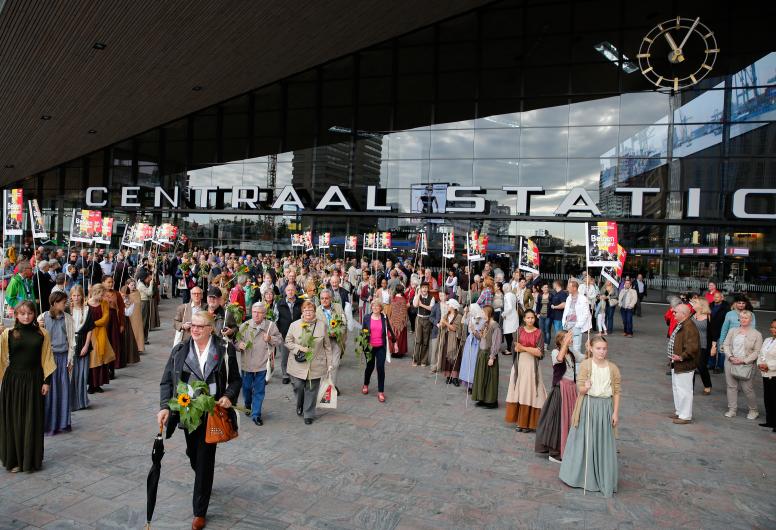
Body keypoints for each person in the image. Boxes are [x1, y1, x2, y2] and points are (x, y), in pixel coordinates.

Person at [157, 311, 241, 530]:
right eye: (193, 325)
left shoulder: (224, 349)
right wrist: (165, 407)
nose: (194, 329)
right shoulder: (180, 350)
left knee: (205, 459)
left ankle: (199, 511)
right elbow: (167, 381)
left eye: (200, 326)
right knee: (193, 453)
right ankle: (203, 476)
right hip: (187, 412)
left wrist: (228, 396)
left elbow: (235, 380)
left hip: (212, 413)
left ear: (211, 328)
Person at [559, 336, 621, 497]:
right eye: (598, 348)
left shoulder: (613, 368)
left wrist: (615, 412)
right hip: (588, 405)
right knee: (585, 440)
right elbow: (579, 388)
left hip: (605, 407)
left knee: (603, 441)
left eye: (604, 348)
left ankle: (602, 476)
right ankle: (581, 477)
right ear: (591, 349)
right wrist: (585, 388)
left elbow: (616, 391)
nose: (602, 352)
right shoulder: (586, 365)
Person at [0, 301, 55, 473]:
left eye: (30, 313)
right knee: (14, 420)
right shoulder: (8, 333)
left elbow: (47, 358)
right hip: (13, 382)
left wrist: (47, 381)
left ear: (34, 314)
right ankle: (14, 460)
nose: (26, 317)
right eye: (22, 313)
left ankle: (31, 460)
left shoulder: (42, 333)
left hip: (34, 381)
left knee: (33, 419)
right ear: (16, 315)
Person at [285, 300, 332, 424]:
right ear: (302, 311)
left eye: (310, 310)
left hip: (316, 363)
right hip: (297, 363)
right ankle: (300, 403)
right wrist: (299, 348)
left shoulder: (322, 325)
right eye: (305, 310)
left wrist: (329, 363)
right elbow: (288, 342)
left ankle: (309, 414)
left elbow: (327, 346)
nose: (308, 312)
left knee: (312, 389)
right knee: (298, 386)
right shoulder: (294, 325)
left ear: (315, 311)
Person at [237, 303, 282, 426]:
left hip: (262, 364)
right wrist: (239, 345)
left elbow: (279, 339)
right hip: (247, 364)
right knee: (246, 388)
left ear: (264, 314)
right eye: (254, 312)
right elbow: (236, 341)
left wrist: (270, 338)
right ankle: (247, 404)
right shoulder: (245, 326)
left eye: (259, 312)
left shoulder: (270, 326)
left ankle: (256, 414)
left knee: (259, 390)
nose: (256, 315)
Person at [535, 331, 578, 462]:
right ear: (560, 341)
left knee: (570, 419)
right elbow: (559, 359)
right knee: (559, 419)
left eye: (570, 338)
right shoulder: (555, 352)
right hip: (560, 389)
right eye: (567, 338)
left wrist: (589, 348)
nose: (570, 340)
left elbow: (585, 357)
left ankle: (566, 448)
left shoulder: (572, 353)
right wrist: (565, 344)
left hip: (571, 390)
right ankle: (555, 452)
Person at [37, 291, 75, 435]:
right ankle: (49, 424)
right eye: (63, 302)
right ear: (54, 303)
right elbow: (36, 338)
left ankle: (62, 423)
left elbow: (71, 341)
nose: (65, 304)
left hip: (63, 357)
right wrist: (37, 326)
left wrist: (70, 360)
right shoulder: (42, 317)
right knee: (49, 392)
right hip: (48, 358)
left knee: (63, 391)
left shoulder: (68, 318)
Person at [505, 309, 547, 432]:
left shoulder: (539, 332)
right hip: (520, 365)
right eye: (528, 318)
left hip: (532, 366)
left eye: (532, 318)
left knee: (530, 392)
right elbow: (515, 349)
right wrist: (529, 349)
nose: (530, 320)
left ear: (535, 319)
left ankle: (528, 423)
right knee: (519, 391)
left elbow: (539, 352)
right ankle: (520, 422)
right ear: (524, 319)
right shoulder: (519, 331)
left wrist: (523, 347)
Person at [721, 309, 762, 420]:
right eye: (741, 318)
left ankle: (753, 410)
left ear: (750, 320)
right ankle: (732, 409)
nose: (743, 320)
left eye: (746, 318)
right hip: (730, 362)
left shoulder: (757, 334)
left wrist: (744, 361)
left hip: (746, 364)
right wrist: (730, 357)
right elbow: (726, 345)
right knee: (731, 387)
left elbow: (757, 351)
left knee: (747, 389)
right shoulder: (732, 331)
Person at [667, 304, 700, 425]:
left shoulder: (689, 327)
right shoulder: (682, 324)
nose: (674, 314)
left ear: (684, 314)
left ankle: (685, 416)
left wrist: (681, 357)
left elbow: (692, 347)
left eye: (676, 312)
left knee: (684, 390)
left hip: (684, 363)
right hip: (676, 362)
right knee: (677, 388)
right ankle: (679, 411)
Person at [361, 300, 397, 402]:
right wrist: (362, 344)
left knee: (380, 368)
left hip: (381, 347)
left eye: (377, 306)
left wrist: (395, 342)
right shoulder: (366, 317)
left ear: (381, 308)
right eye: (373, 306)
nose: (375, 308)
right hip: (369, 347)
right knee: (370, 367)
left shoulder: (384, 318)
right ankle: (366, 384)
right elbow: (363, 331)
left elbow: (389, 329)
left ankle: (381, 391)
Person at [471, 305, 502, 408]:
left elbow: (496, 343)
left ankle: (491, 401)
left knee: (490, 379)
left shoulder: (495, 326)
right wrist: (474, 331)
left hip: (489, 355)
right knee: (482, 377)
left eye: (483, 313)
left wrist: (492, 357)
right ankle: (482, 398)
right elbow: (481, 338)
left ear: (489, 314)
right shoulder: (485, 324)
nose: (482, 315)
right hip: (482, 354)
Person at [718, 295, 757, 376]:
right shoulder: (729, 314)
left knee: (742, 365)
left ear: (746, 304)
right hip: (730, 343)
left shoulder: (751, 314)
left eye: (743, 303)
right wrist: (721, 343)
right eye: (739, 303)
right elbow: (724, 329)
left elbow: (753, 330)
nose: (741, 305)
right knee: (730, 365)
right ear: (735, 303)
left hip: (745, 343)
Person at [316, 289, 347, 389]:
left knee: (335, 364)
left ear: (331, 299)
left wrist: (339, 332)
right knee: (324, 365)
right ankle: (323, 386)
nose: (324, 300)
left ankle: (331, 387)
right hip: (323, 342)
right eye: (322, 298)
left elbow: (344, 323)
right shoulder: (317, 311)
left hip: (336, 340)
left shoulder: (338, 307)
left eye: (326, 298)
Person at [68, 285, 93, 411]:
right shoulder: (68, 310)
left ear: (82, 296)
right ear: (71, 296)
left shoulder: (88, 309)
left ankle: (82, 401)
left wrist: (86, 345)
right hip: (71, 343)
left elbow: (90, 329)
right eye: (74, 295)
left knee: (82, 374)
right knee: (72, 374)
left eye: (78, 295)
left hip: (83, 342)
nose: (76, 298)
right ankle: (72, 402)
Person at [87, 283, 114, 394]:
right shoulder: (86, 304)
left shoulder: (104, 303)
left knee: (101, 358)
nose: (103, 297)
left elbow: (105, 318)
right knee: (92, 359)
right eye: (101, 295)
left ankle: (98, 384)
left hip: (101, 333)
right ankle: (91, 384)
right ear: (95, 293)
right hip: (89, 335)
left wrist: (93, 323)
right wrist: (90, 325)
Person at [276, 284, 302, 385]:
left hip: (298, 333)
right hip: (284, 333)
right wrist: (278, 332)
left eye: (292, 290)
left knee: (297, 353)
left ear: (295, 291)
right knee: (285, 356)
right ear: (285, 292)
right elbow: (276, 318)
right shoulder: (279, 303)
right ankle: (285, 375)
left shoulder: (301, 302)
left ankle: (297, 374)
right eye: (288, 290)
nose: (290, 292)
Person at [562, 278, 591, 358]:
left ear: (574, 288)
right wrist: (564, 321)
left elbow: (586, 313)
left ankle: (577, 364)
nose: (567, 288)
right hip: (568, 325)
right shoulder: (568, 298)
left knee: (576, 347)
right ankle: (571, 362)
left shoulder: (583, 298)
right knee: (569, 345)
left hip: (576, 325)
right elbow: (566, 310)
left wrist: (579, 325)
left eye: (569, 287)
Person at [437, 299, 464, 383]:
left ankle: (455, 377)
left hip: (455, 339)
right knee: (447, 357)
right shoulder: (446, 315)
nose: (447, 306)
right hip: (447, 338)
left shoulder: (459, 316)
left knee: (455, 357)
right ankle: (448, 376)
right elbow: (443, 326)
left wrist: (445, 322)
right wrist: (441, 324)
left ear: (452, 306)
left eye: (448, 305)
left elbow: (454, 328)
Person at [459, 303, 485, 390]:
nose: (470, 311)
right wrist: (465, 312)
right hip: (470, 340)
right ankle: (468, 382)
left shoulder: (481, 319)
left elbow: (481, 330)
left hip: (477, 341)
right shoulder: (470, 318)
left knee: (474, 362)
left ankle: (474, 383)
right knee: (468, 361)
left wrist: (475, 328)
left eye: (471, 310)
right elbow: (462, 321)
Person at [690, 297, 712, 395]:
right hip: (691, 344)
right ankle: (690, 387)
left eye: (695, 302)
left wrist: (714, 346)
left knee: (701, 366)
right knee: (691, 366)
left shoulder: (709, 316)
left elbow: (713, 332)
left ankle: (707, 385)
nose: (693, 304)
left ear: (701, 305)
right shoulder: (692, 314)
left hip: (703, 345)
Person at [757, 319, 776, 432]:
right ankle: (770, 421)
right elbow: (760, 354)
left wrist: (768, 365)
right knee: (768, 398)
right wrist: (760, 364)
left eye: (775, 327)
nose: (772, 329)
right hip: (765, 373)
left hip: (774, 374)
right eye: (772, 327)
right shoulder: (767, 340)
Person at [412, 282, 435, 367]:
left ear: (428, 289)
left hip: (427, 319)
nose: (424, 289)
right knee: (418, 340)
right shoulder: (417, 296)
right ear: (421, 289)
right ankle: (415, 360)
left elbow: (431, 308)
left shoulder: (431, 297)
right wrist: (418, 294)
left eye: (426, 288)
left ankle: (424, 361)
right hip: (419, 318)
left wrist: (421, 305)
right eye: (423, 288)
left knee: (425, 341)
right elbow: (415, 305)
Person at [707, 290, 730, 374]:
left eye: (717, 297)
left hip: (721, 330)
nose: (715, 298)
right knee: (711, 347)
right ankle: (711, 364)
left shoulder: (726, 307)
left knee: (721, 349)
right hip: (711, 330)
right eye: (714, 297)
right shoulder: (710, 305)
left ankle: (720, 366)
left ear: (722, 298)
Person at [119, 286, 141, 365]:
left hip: (125, 321)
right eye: (122, 294)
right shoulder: (117, 298)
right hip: (118, 320)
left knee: (127, 339)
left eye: (125, 295)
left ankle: (127, 357)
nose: (123, 296)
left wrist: (122, 307)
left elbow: (128, 313)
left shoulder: (130, 302)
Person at [387, 284, 409, 358]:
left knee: (393, 336)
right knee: (400, 337)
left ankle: (393, 352)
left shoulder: (393, 298)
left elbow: (391, 310)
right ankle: (399, 352)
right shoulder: (403, 299)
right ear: (402, 290)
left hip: (393, 320)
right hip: (401, 321)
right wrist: (404, 320)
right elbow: (404, 312)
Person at [125, 279, 145, 354]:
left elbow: (138, 302)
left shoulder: (137, 292)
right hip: (130, 315)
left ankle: (139, 347)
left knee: (138, 330)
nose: (133, 286)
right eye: (131, 285)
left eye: (134, 285)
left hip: (137, 315)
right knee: (131, 331)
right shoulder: (125, 293)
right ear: (127, 285)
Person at [501, 283, 518, 356]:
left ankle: (509, 349)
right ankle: (511, 348)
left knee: (507, 333)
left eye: (503, 287)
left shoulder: (507, 295)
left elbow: (510, 307)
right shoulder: (513, 295)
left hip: (509, 316)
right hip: (513, 315)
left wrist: (503, 314)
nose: (503, 289)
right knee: (511, 333)